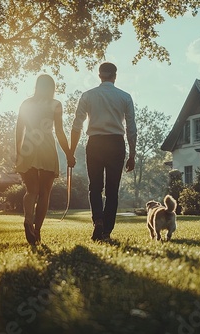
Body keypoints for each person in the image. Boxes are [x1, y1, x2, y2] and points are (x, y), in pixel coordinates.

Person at [70, 62, 137, 241]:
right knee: (112, 190)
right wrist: (132, 154)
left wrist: (71, 151)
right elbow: (131, 128)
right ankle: (106, 231)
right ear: (115, 76)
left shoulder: (88, 95)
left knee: (95, 187)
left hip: (95, 143)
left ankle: (98, 220)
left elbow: (77, 125)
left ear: (99, 76)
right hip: (116, 143)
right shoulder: (125, 97)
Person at [15, 74, 75, 245]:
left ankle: (28, 220)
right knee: (44, 193)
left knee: (31, 191)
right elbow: (59, 131)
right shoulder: (55, 104)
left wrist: (18, 152)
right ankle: (37, 231)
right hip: (47, 147)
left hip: (28, 148)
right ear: (52, 88)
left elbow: (19, 128)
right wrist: (68, 153)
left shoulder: (26, 104)